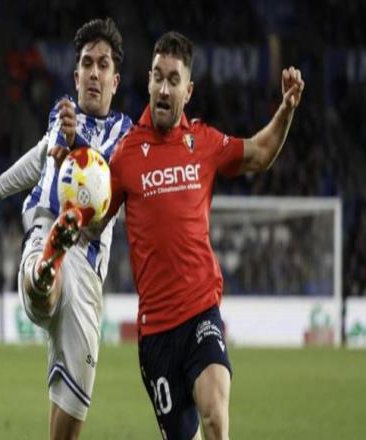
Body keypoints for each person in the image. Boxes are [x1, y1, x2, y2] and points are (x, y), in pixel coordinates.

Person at [107, 31, 304, 440]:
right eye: (157, 77)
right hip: (156, 334)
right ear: (148, 81)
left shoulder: (204, 143)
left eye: (173, 79)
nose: (164, 89)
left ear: (188, 90)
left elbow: (259, 152)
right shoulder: (125, 156)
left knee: (214, 415)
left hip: (201, 311)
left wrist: (285, 110)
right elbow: (94, 220)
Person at [0, 18, 132, 439]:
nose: (93, 73)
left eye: (102, 65)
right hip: (48, 229)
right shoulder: (61, 114)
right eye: (86, 64)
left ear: (115, 81)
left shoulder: (127, 134)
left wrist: (76, 143)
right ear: (75, 75)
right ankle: (44, 273)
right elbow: (39, 155)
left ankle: (48, 271)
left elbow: (104, 179)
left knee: (68, 426)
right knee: (44, 290)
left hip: (89, 265)